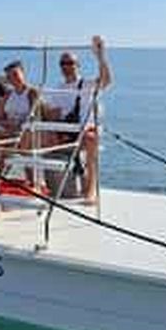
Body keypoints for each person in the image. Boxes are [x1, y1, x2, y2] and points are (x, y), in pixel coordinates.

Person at [45, 36, 112, 205]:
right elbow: (54, 114)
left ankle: (90, 192)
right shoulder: (57, 89)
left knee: (90, 139)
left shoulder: (87, 85)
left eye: (70, 63)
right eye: (63, 64)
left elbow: (106, 81)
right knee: (36, 137)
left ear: (77, 65)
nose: (67, 67)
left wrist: (100, 56)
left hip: (84, 132)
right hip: (65, 132)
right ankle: (37, 186)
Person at [0, 60, 39, 132]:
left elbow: (34, 117)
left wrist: (17, 124)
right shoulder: (7, 94)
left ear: (23, 73)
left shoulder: (32, 93)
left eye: (15, 74)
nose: (13, 79)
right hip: (6, 127)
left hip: (24, 129)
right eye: (9, 77)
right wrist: (7, 124)